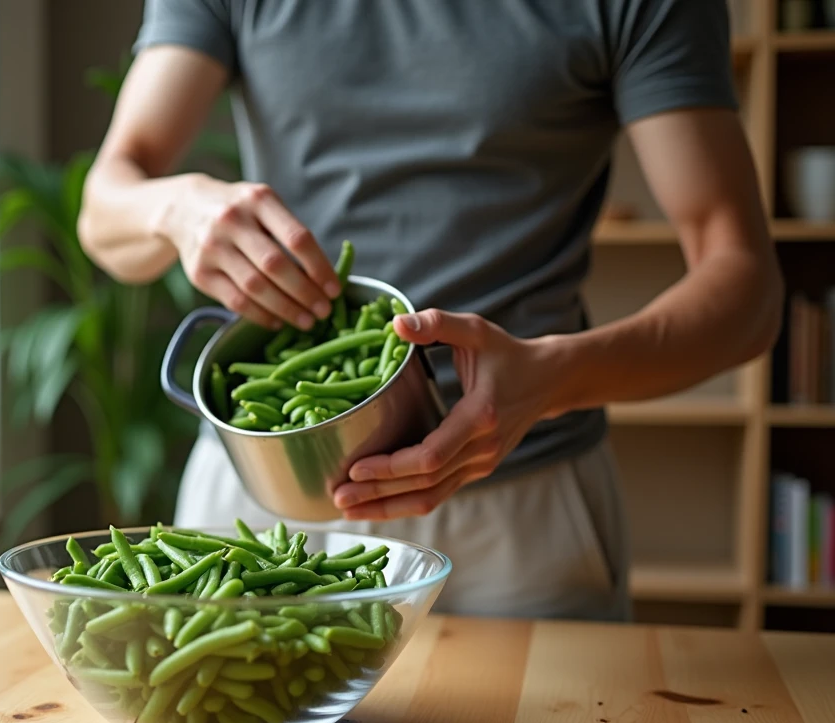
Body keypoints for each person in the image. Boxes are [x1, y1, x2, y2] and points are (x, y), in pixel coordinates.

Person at [77, 0, 782, 621]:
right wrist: (176, 209)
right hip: (269, 488)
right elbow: (105, 206)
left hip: (516, 496)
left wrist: (553, 376)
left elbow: (747, 289)